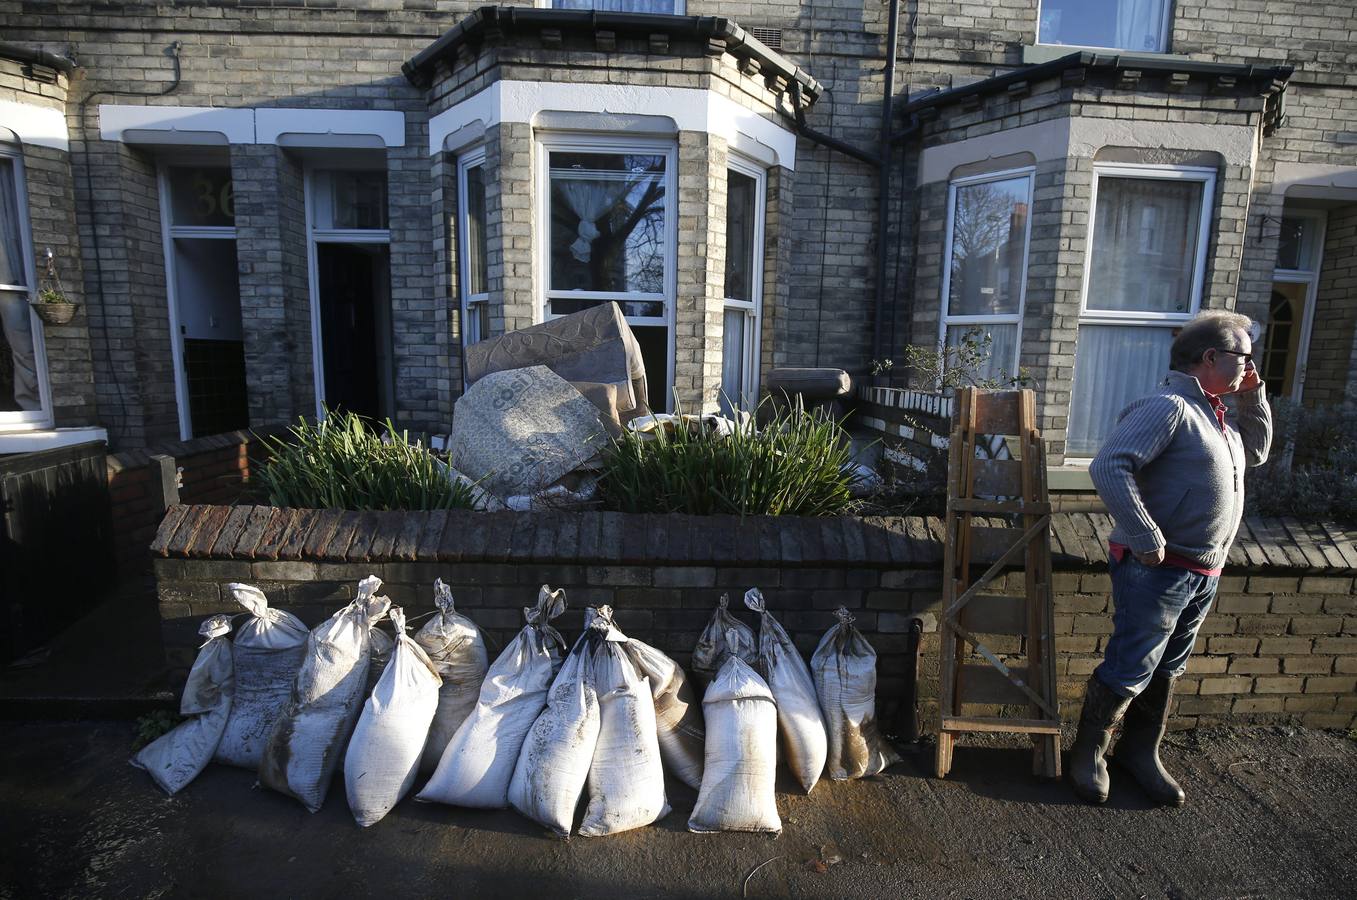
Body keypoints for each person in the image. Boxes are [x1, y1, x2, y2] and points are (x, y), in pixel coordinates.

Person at [1074, 309, 1272, 806]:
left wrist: (1253, 398)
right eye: (1244, 358)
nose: (1251, 367)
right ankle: (1087, 754)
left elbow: (1261, 451)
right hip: (1159, 567)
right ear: (1211, 357)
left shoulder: (1218, 414)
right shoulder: (1168, 407)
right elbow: (1108, 465)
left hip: (1204, 568)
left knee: (1168, 667)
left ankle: (1139, 753)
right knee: (1132, 663)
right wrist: (1145, 533)